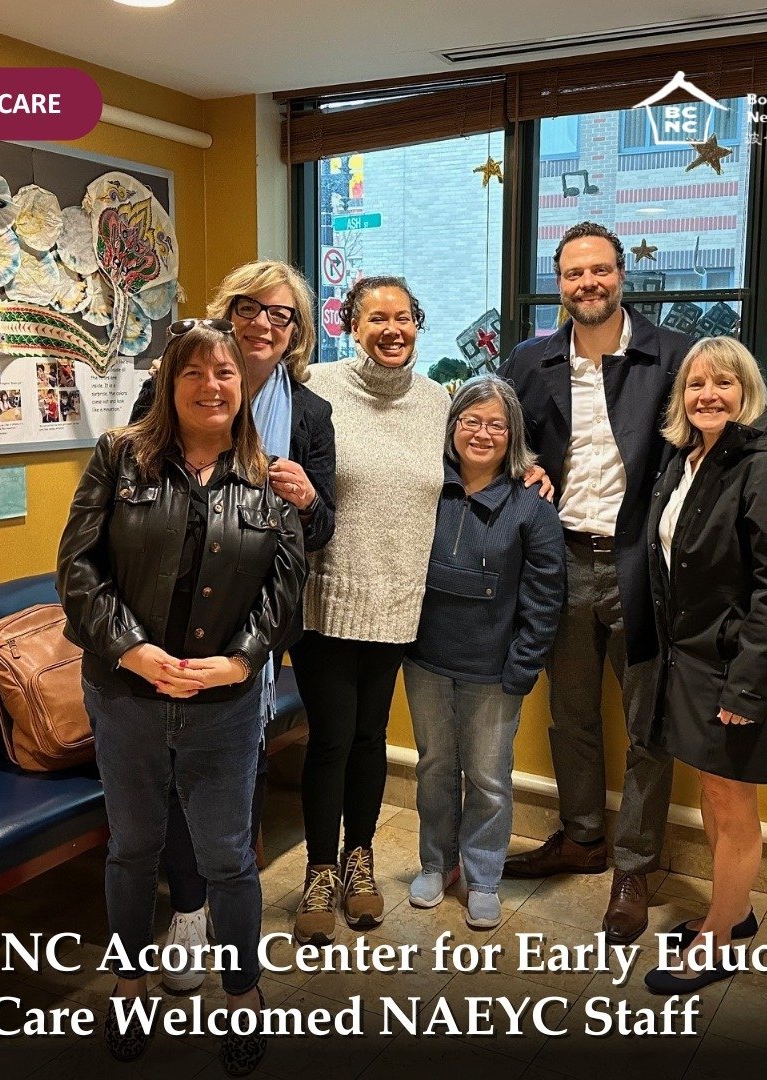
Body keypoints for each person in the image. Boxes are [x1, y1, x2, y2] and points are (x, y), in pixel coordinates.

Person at [57, 320, 307, 1074]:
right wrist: (132, 650)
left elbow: (285, 594)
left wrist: (241, 664)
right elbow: (77, 571)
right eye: (193, 372)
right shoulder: (120, 458)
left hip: (223, 707)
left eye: (225, 374)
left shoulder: (270, 480)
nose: (211, 386)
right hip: (126, 697)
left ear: (244, 388)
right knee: (133, 850)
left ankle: (242, 991)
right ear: (169, 382)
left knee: (229, 859)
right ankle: (130, 981)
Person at [128, 261, 336, 993]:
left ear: (296, 334)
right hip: (167, 623)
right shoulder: (169, 386)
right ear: (227, 310)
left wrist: (308, 498)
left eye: (282, 316)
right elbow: (130, 496)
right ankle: (187, 909)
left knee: (233, 772)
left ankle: (225, 895)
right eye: (251, 308)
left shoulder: (308, 414)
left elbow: (320, 528)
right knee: (179, 776)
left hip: (252, 634)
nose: (264, 325)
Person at [499, 220, 693, 944]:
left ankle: (634, 865)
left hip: (646, 565)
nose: (589, 283)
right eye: (575, 273)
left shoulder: (671, 355)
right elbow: (492, 436)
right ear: (560, 284)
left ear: (621, 276)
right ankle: (582, 837)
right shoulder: (530, 360)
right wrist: (523, 467)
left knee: (649, 725)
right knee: (570, 714)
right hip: (561, 562)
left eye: (601, 271)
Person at [642, 338, 767, 993]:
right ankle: (732, 912)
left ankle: (715, 944)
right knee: (715, 795)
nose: (708, 395)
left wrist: (746, 686)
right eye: (696, 384)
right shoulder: (691, 459)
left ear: (749, 391)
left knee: (732, 803)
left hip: (737, 666)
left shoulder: (766, 470)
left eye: (724, 384)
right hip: (691, 660)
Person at [291, 275, 450, 945]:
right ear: (350, 326)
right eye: (377, 318)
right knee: (331, 737)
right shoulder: (316, 388)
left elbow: (481, 457)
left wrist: (529, 469)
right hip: (325, 596)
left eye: (404, 317)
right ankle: (320, 870)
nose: (393, 329)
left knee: (370, 737)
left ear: (418, 323)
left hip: (396, 598)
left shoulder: (439, 399)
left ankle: (362, 861)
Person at [403, 375, 565, 929]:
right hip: (425, 660)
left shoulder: (532, 506)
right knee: (434, 768)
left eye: (496, 424)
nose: (482, 433)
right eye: (470, 420)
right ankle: (436, 862)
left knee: (491, 777)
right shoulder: (424, 487)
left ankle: (484, 874)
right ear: (452, 428)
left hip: (495, 670)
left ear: (512, 435)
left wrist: (524, 666)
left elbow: (545, 597)